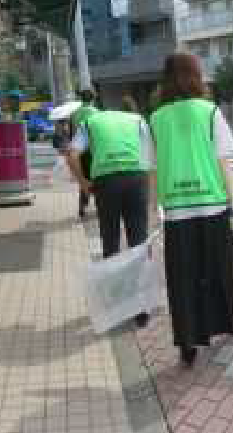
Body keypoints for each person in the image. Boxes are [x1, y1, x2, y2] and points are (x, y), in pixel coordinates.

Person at [148, 53, 233, 367]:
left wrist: (157, 210)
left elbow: (151, 169)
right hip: (213, 203)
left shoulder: (155, 118)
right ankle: (230, 319)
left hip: (176, 209)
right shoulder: (210, 112)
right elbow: (223, 162)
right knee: (221, 267)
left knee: (181, 276)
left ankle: (187, 340)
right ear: (195, 75)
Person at [67, 99, 151, 328]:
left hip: (106, 183)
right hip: (136, 178)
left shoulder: (90, 121)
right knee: (139, 242)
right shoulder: (137, 120)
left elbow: (72, 154)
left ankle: (115, 305)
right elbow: (149, 156)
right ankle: (141, 308)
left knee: (111, 242)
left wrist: (84, 184)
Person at [70, 89, 98, 218]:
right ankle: (100, 204)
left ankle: (82, 206)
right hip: (93, 150)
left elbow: (73, 132)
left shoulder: (75, 114)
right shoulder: (95, 112)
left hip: (79, 150)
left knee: (84, 178)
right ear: (93, 99)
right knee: (97, 177)